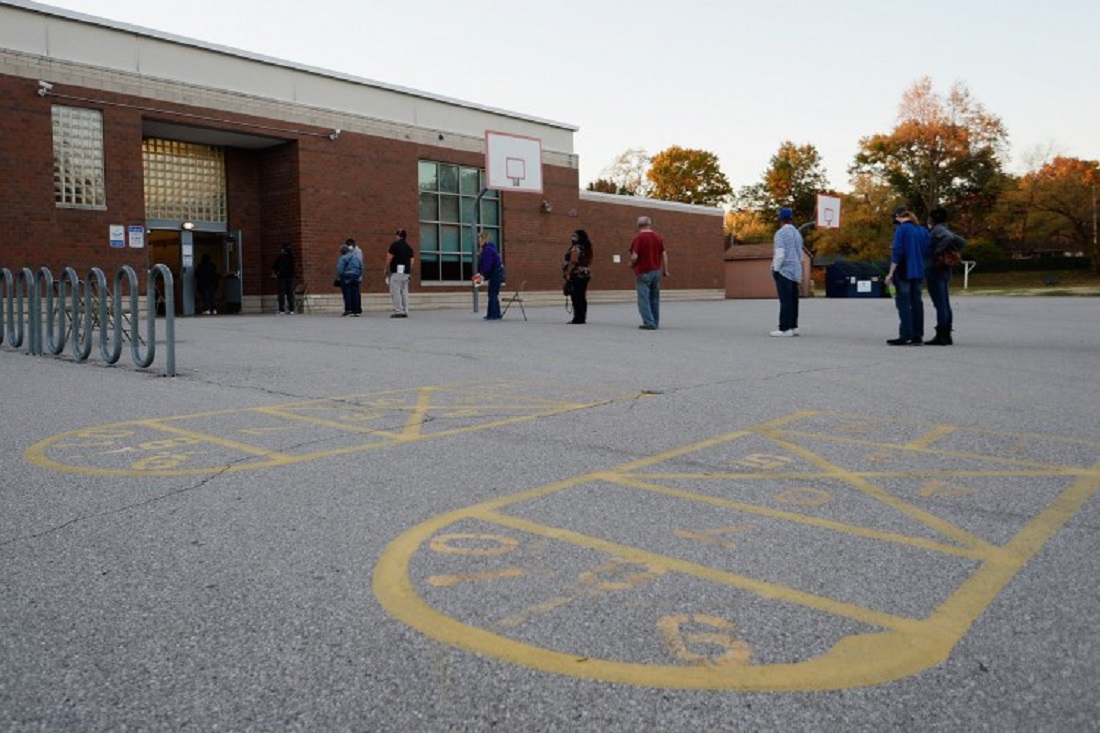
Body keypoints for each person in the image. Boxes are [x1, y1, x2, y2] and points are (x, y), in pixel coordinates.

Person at [884, 206, 932, 345]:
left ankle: (905, 334)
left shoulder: (902, 229)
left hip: (904, 269)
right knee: (917, 302)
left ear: (899, 216)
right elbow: (928, 249)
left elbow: (898, 252)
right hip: (919, 270)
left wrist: (891, 273)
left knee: (903, 302)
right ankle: (918, 335)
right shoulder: (922, 230)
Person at [925, 207, 966, 345]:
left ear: (933, 218)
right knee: (945, 302)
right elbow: (962, 242)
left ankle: (942, 334)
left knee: (940, 303)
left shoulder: (938, 230)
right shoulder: (947, 229)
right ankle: (946, 333)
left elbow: (947, 238)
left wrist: (938, 252)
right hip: (945, 269)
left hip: (936, 269)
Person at [629, 216, 668, 330]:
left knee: (643, 298)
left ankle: (648, 322)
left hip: (643, 271)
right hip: (656, 271)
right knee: (654, 298)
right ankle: (655, 321)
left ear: (638, 225)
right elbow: (664, 254)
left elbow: (635, 256)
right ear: (649, 224)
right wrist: (665, 270)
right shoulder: (658, 237)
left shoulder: (639, 238)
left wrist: (631, 264)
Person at [770, 207, 803, 337]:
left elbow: (780, 253)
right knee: (794, 300)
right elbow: (799, 253)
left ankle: (784, 328)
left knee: (785, 300)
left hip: (784, 271)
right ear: (791, 218)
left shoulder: (780, 234)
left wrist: (776, 269)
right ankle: (794, 326)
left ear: (781, 219)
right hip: (796, 271)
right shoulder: (797, 234)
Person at [563, 229, 594, 324]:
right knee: (582, 296)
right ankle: (582, 317)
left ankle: (577, 318)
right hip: (585, 273)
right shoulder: (586, 247)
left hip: (577, 274)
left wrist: (568, 274)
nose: (572, 238)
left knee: (576, 296)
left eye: (574, 236)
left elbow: (573, 261)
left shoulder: (576, 247)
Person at [385, 228, 415, 318]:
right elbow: (412, 261)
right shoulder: (409, 247)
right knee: (404, 291)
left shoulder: (395, 245)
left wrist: (385, 268)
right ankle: (405, 310)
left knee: (396, 291)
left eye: (396, 235)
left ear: (398, 235)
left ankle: (399, 311)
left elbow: (389, 258)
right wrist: (408, 270)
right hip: (406, 272)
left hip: (397, 272)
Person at [477, 231, 505, 320]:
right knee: (493, 293)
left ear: (483, 239)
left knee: (492, 293)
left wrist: (482, 276)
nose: (478, 240)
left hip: (496, 273)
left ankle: (493, 315)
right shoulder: (491, 248)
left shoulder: (487, 250)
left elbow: (487, 266)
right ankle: (494, 314)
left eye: (479, 238)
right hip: (498, 273)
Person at [335, 242, 363, 316]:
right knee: (356, 293)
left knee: (347, 293)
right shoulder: (356, 258)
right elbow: (361, 268)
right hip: (356, 276)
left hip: (346, 276)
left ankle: (348, 309)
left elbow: (340, 269)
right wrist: (358, 275)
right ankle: (356, 309)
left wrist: (339, 277)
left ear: (342, 252)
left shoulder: (342, 258)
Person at [271, 244, 295, 314]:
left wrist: (275, 274)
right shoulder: (292, 257)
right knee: (290, 293)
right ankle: (291, 309)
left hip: (281, 277)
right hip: (290, 277)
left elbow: (274, 266)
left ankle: (282, 309)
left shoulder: (281, 257)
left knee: (281, 293)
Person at [342, 238, 363, 316]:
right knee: (355, 292)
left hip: (350, 274)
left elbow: (360, 263)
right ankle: (356, 309)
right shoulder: (351, 252)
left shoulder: (358, 252)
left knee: (351, 292)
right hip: (355, 274)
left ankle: (353, 308)